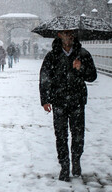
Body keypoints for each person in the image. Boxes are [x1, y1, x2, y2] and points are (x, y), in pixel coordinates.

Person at [39, 30, 97, 182]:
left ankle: (76, 160)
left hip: (77, 100)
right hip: (59, 101)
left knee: (78, 134)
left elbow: (92, 76)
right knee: (61, 135)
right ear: (59, 36)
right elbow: (44, 78)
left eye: (71, 34)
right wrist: (45, 100)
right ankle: (64, 165)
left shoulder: (83, 54)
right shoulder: (52, 56)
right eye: (66, 34)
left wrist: (81, 68)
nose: (69, 37)